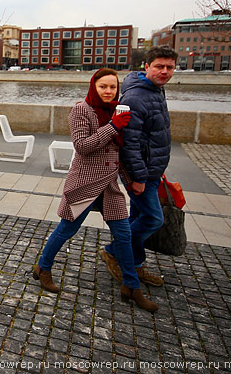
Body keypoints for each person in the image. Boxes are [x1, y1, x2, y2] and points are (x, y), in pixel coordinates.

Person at [32, 68, 158, 312]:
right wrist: (113, 126)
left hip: (109, 187)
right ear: (94, 87)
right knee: (66, 230)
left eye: (113, 87)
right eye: (103, 86)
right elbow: (82, 146)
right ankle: (43, 267)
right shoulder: (82, 110)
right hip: (85, 184)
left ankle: (131, 286)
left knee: (124, 235)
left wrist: (130, 180)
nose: (108, 91)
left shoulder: (117, 110)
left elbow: (117, 153)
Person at [100, 46, 176, 288]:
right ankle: (114, 250)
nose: (164, 71)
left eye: (170, 67)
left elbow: (152, 137)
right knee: (154, 219)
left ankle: (133, 264)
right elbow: (130, 144)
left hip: (151, 170)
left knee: (138, 216)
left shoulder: (156, 91)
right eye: (159, 66)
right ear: (146, 67)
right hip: (139, 174)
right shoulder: (136, 97)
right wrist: (139, 177)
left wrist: (156, 167)